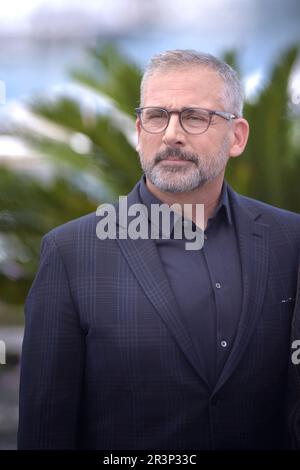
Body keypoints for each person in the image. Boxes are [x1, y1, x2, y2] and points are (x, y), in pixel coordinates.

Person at [18, 49, 300, 450]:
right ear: (138, 131)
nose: (171, 134)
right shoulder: (71, 253)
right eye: (156, 116)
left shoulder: (289, 241)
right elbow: (45, 430)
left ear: (237, 137)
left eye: (194, 117)